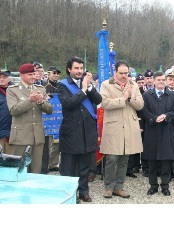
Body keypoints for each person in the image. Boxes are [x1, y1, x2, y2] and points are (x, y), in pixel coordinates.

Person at [57, 56, 102, 203]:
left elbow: (98, 100)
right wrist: (83, 90)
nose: (79, 71)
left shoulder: (86, 82)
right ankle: (69, 194)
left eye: (81, 68)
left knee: (84, 166)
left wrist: (89, 87)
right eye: (76, 68)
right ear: (69, 69)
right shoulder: (62, 85)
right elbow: (68, 103)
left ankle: (83, 191)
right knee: (69, 167)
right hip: (71, 132)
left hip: (86, 131)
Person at [100, 60, 144, 199]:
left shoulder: (134, 85)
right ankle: (108, 187)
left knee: (124, 159)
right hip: (114, 126)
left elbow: (140, 105)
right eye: (121, 73)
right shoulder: (106, 85)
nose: (124, 76)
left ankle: (119, 187)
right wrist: (122, 98)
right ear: (115, 72)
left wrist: (130, 97)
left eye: (126, 73)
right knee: (112, 158)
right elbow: (105, 104)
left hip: (129, 127)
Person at [6, 63, 53, 173]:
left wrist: (41, 101)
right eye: (29, 74)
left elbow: (49, 110)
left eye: (34, 74)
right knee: (21, 170)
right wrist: (29, 100)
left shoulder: (40, 89)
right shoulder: (13, 90)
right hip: (21, 137)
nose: (33, 76)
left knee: (36, 170)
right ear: (22, 75)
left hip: (37, 137)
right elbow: (13, 110)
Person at [142, 71, 174, 196]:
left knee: (166, 161)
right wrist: (153, 118)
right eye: (159, 80)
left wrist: (166, 116)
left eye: (163, 79)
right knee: (152, 160)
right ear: (154, 80)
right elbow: (143, 111)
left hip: (166, 130)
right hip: (151, 130)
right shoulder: (147, 95)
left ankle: (165, 185)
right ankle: (153, 185)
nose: (161, 82)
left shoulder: (172, 95)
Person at [41, 66, 62, 174]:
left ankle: (54, 164)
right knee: (47, 142)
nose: (56, 75)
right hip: (47, 118)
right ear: (48, 74)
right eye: (54, 73)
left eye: (57, 73)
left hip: (58, 117)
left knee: (56, 143)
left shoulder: (60, 85)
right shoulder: (44, 85)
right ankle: (47, 163)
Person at [0, 68, 14, 154]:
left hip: (12, 132)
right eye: (0, 77)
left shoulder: (15, 90)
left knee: (10, 160)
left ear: (9, 78)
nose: (2, 79)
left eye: (4, 77)